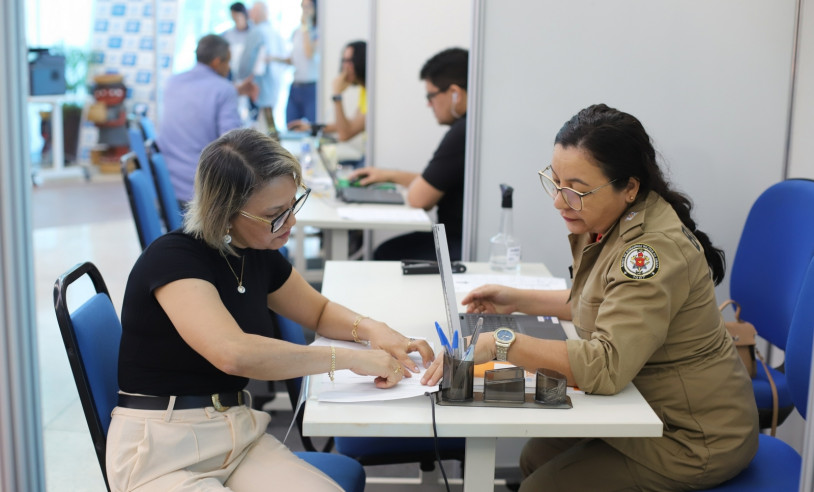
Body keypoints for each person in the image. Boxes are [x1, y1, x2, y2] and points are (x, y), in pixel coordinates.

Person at [423, 104, 759, 491]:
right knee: (534, 456)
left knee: (540, 486)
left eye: (577, 191)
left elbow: (607, 366)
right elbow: (600, 301)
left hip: (692, 435)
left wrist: (502, 343)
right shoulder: (605, 218)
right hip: (644, 404)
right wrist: (516, 300)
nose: (559, 202)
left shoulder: (650, 253)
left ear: (629, 187)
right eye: (555, 182)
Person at [106, 128, 435, 491]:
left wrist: (376, 330)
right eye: (276, 214)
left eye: (293, 205)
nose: (290, 222)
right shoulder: (173, 261)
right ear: (226, 212)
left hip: (237, 434)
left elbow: (319, 312)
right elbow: (234, 354)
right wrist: (347, 358)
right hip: (163, 449)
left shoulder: (255, 252)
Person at [350, 47, 468, 261]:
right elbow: (434, 184)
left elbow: (420, 198)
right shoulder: (475, 127)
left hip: (459, 244)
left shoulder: (462, 131)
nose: (428, 104)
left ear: (455, 93)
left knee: (385, 254)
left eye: (431, 95)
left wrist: (391, 177)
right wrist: (387, 175)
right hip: (464, 238)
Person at [156, 34, 256, 208]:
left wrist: (234, 92)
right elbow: (233, 144)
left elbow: (196, 106)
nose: (229, 67)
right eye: (228, 62)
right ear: (217, 62)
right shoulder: (223, 89)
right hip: (201, 190)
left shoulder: (172, 82)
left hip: (167, 184)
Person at [288, 40, 367, 144]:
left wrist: (337, 95)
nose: (346, 67)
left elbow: (345, 134)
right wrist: (311, 127)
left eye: (350, 61)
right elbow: (350, 124)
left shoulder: (371, 93)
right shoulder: (363, 90)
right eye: (344, 61)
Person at [238, 1, 287, 136]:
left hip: (259, 87)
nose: (250, 14)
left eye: (252, 11)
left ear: (257, 13)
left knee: (259, 126)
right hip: (273, 87)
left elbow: (247, 60)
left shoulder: (257, 32)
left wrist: (238, 78)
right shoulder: (275, 32)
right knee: (268, 123)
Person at [280, 0, 318, 125]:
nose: (305, 10)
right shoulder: (297, 32)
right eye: (303, 6)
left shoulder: (317, 31)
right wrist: (272, 58)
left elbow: (309, 53)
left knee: (311, 127)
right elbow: (293, 59)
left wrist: (306, 26)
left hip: (311, 87)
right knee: (290, 125)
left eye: (308, 6)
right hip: (295, 86)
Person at [219, 2, 251, 78]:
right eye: (234, 18)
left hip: (247, 73)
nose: (236, 20)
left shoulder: (253, 34)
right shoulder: (227, 34)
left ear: (244, 15)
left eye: (238, 16)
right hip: (230, 72)